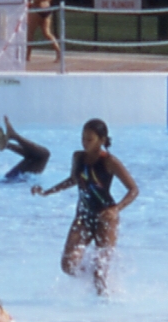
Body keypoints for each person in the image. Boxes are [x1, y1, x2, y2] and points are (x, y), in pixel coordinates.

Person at [32, 118, 138, 294]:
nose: (85, 142)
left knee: (101, 271)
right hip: (83, 216)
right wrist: (47, 192)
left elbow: (133, 189)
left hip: (106, 217)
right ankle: (93, 277)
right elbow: (74, 180)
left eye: (90, 139)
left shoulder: (110, 162)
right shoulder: (78, 157)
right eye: (83, 138)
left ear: (102, 140)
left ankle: (103, 305)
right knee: (67, 265)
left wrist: (116, 209)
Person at [0, 116, 50, 181]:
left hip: (10, 180)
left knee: (38, 156)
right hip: (13, 181)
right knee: (43, 155)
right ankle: (12, 138)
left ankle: (10, 141)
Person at [28, 0, 61, 66]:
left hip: (39, 9)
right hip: (47, 10)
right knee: (47, 33)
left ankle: (27, 56)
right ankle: (58, 52)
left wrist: (33, 1)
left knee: (30, 34)